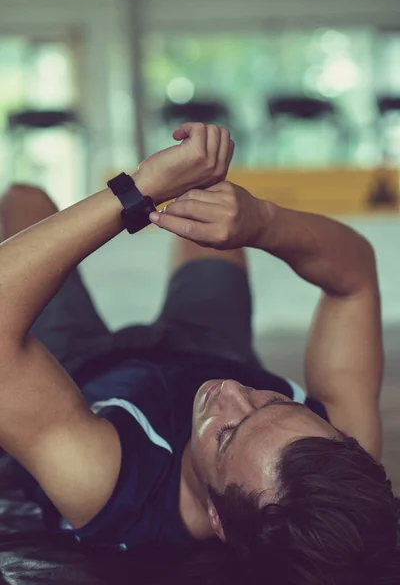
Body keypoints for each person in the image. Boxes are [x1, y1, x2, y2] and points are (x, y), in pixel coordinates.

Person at [0, 122, 398, 585]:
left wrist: (137, 192)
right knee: (210, 205)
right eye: (274, 401)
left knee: (26, 198)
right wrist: (264, 222)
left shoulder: (106, 484)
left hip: (80, 368)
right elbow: (354, 280)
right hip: (210, 347)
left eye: (227, 434)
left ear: (217, 518)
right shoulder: (338, 449)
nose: (232, 393)